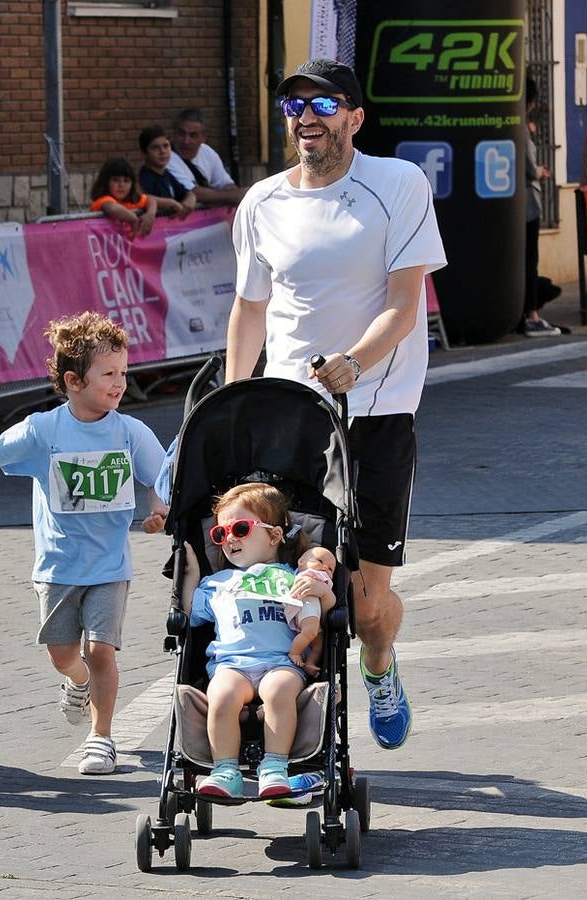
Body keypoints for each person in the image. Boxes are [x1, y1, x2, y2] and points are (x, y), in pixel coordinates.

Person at [227, 58, 446, 752]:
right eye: (294, 107)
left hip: (375, 410)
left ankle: (378, 667)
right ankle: (289, 725)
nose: (306, 118)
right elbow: (249, 308)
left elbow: (403, 304)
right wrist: (235, 402)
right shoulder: (261, 202)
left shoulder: (396, 184)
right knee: (284, 578)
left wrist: (354, 362)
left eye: (323, 105)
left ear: (353, 116)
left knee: (365, 601)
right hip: (291, 416)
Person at [0, 312, 167, 775]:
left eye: (123, 373)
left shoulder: (129, 432)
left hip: (110, 567)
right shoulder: (43, 430)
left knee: (101, 650)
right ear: (73, 380)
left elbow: (163, 475)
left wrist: (159, 509)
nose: (119, 384)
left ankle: (101, 737)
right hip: (57, 568)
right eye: (108, 374)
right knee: (64, 655)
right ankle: (77, 682)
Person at [178, 483, 334, 801]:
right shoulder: (217, 583)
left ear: (274, 536)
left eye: (240, 528)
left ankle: (275, 767)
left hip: (281, 661)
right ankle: (225, 770)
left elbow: (327, 611)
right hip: (231, 663)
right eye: (220, 534)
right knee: (221, 696)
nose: (229, 539)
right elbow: (191, 614)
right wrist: (191, 575)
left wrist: (322, 591)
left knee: (278, 692)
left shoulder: (292, 576)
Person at [521, 77, 560, 337]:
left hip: (519, 206)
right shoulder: (521, 129)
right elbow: (527, 167)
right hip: (527, 206)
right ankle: (531, 314)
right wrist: (539, 171)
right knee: (530, 260)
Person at [166, 109, 247, 208]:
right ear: (174, 134)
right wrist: (234, 195)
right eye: (181, 134)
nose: (186, 141)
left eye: (193, 135)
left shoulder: (207, 152)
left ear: (204, 137)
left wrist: (233, 193)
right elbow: (193, 192)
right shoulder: (165, 157)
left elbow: (226, 184)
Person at [286, 546, 337, 674]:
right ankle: (294, 653)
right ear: (301, 562)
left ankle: (310, 663)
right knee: (310, 632)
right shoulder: (309, 575)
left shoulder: (325, 580)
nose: (325, 567)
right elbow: (303, 584)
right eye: (319, 561)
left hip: (315, 612)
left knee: (319, 645)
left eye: (331, 569)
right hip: (306, 604)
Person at [137, 126, 196, 220]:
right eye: (155, 148)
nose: (162, 151)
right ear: (144, 153)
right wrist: (170, 203)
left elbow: (188, 193)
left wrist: (190, 201)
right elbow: (142, 198)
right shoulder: (143, 178)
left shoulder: (168, 175)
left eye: (166, 146)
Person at [88, 158, 157, 237]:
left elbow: (151, 199)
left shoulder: (132, 201)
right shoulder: (102, 200)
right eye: (115, 180)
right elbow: (112, 208)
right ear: (105, 182)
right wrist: (134, 219)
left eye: (126, 180)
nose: (121, 185)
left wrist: (150, 214)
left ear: (133, 184)